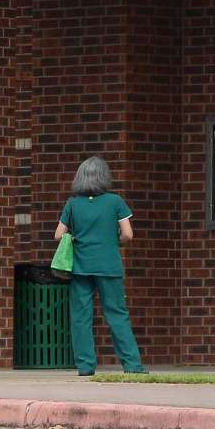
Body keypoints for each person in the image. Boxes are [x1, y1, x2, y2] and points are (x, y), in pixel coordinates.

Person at [54, 156, 147, 376]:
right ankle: (132, 365)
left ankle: (85, 366)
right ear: (105, 177)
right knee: (117, 314)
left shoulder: (72, 203)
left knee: (81, 317)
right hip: (109, 265)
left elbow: (59, 235)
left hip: (80, 267)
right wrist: (114, 241)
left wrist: (76, 239)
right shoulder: (115, 201)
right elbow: (128, 234)